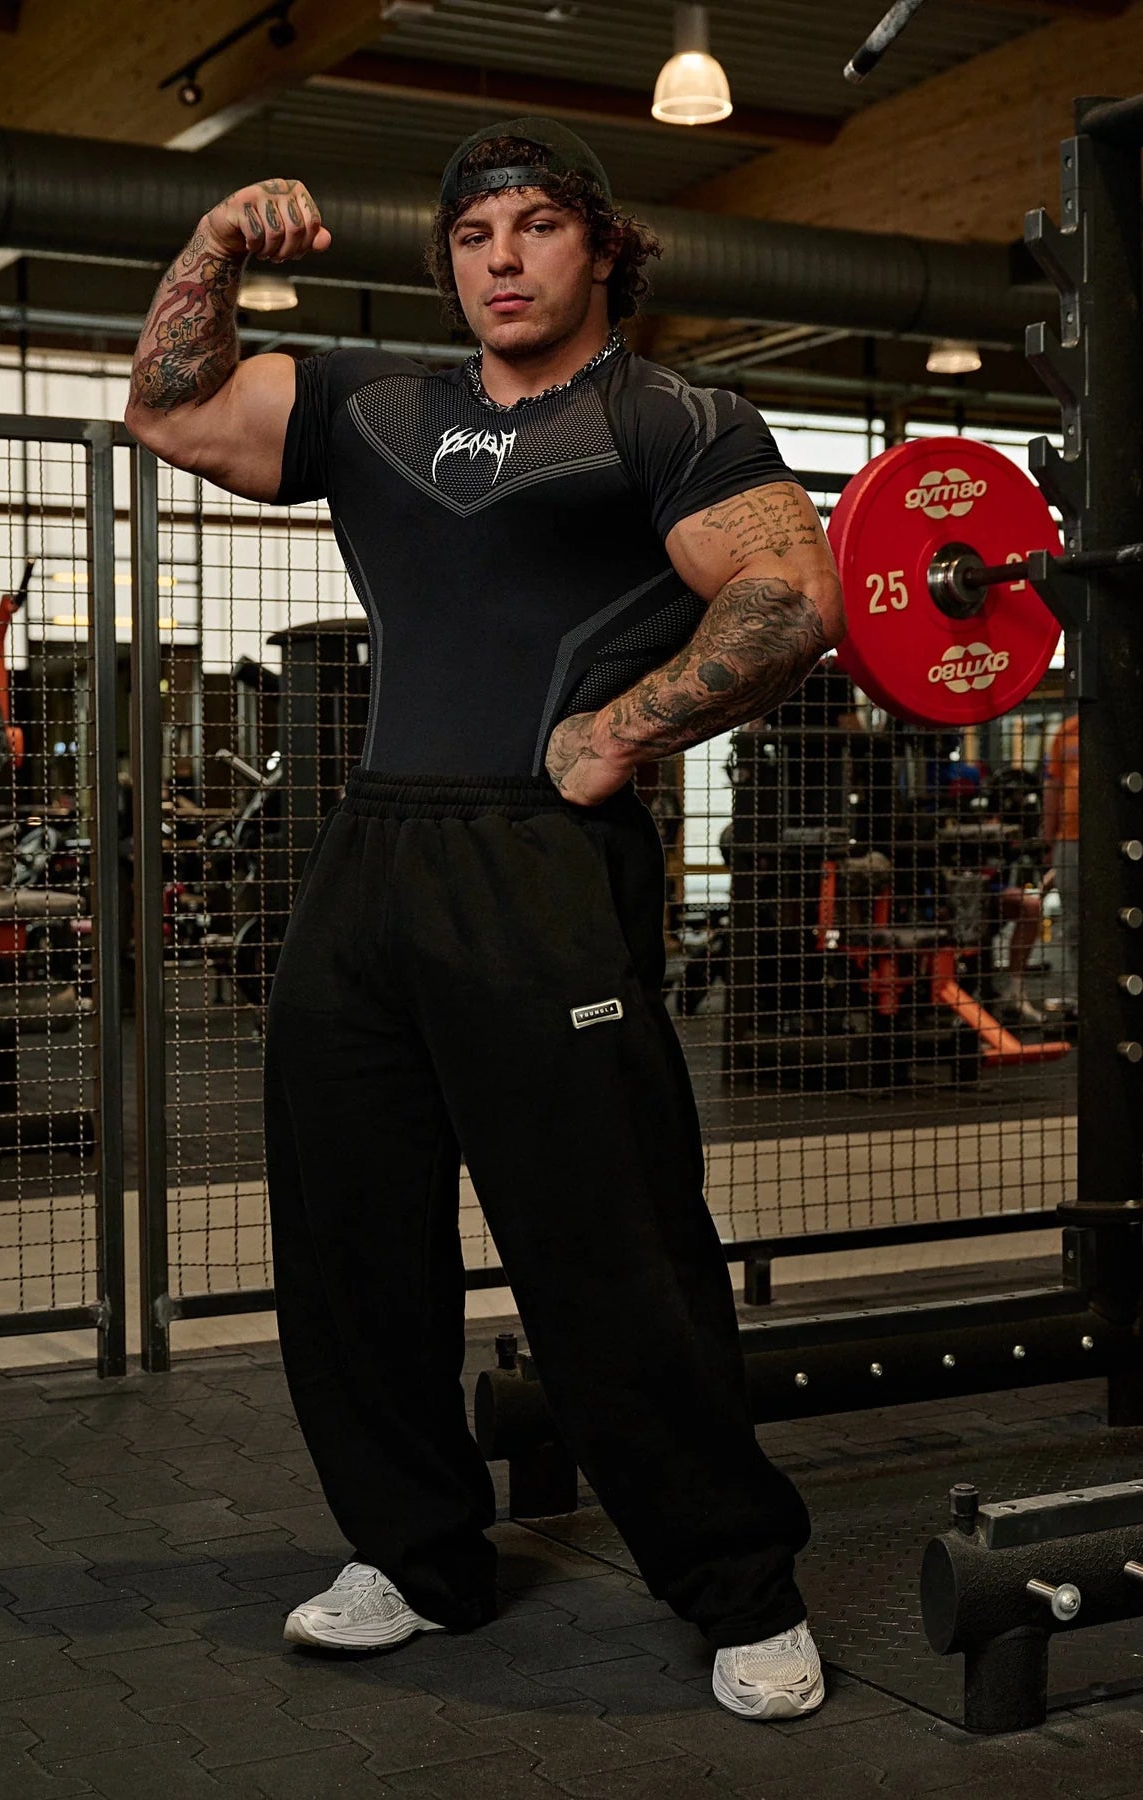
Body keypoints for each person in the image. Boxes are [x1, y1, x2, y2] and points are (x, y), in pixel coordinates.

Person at [123, 117, 845, 1722]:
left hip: (540, 859)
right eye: (472, 235)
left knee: (612, 1249)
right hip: (370, 857)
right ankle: (414, 1556)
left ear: (601, 246)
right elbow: (167, 407)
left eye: (537, 226)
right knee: (350, 1243)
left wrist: (624, 732)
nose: (502, 259)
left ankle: (738, 1585)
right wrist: (216, 247)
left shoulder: (668, 418)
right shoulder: (370, 404)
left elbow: (791, 597)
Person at [1043, 708, 1079, 1008]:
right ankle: (1082, 996)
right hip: (1070, 839)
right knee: (1074, 920)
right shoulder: (1066, 731)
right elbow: (1053, 786)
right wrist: (1048, 837)